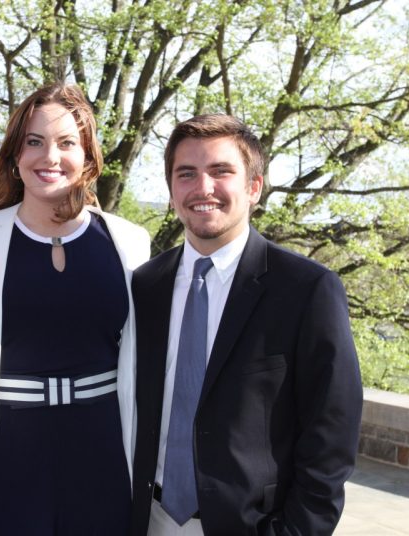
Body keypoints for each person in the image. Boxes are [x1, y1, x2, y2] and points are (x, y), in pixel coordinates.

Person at [130, 114, 363, 535]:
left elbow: (332, 434)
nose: (203, 188)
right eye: (187, 174)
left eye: (221, 171)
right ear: (171, 192)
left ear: (254, 187)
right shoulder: (145, 285)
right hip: (148, 518)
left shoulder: (306, 289)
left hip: (251, 525)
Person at [0, 83, 150, 534]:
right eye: (34, 142)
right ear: (14, 155)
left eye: (66, 143)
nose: (50, 157)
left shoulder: (129, 242)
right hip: (7, 453)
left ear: (89, 157)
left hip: (102, 448)